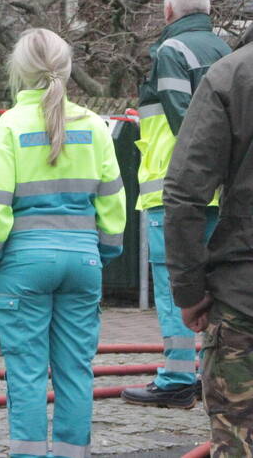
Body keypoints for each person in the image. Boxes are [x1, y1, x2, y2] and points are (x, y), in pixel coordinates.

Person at [0, 28, 126, 458]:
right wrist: (105, 248)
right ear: (67, 67)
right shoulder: (94, 125)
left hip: (25, 261)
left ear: (19, 71)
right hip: (83, 259)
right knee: (76, 370)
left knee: (26, 371)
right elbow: (113, 198)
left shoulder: (10, 125)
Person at [122, 0, 231, 409]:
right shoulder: (228, 50)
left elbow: (186, 123)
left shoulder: (170, 51)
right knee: (220, 287)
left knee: (175, 287)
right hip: (221, 194)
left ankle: (177, 379)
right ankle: (217, 374)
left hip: (174, 191)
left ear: (168, 11)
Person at [163, 30, 253, 455]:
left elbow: (184, 194)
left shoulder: (232, 75)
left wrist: (190, 291)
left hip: (244, 300)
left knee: (237, 442)